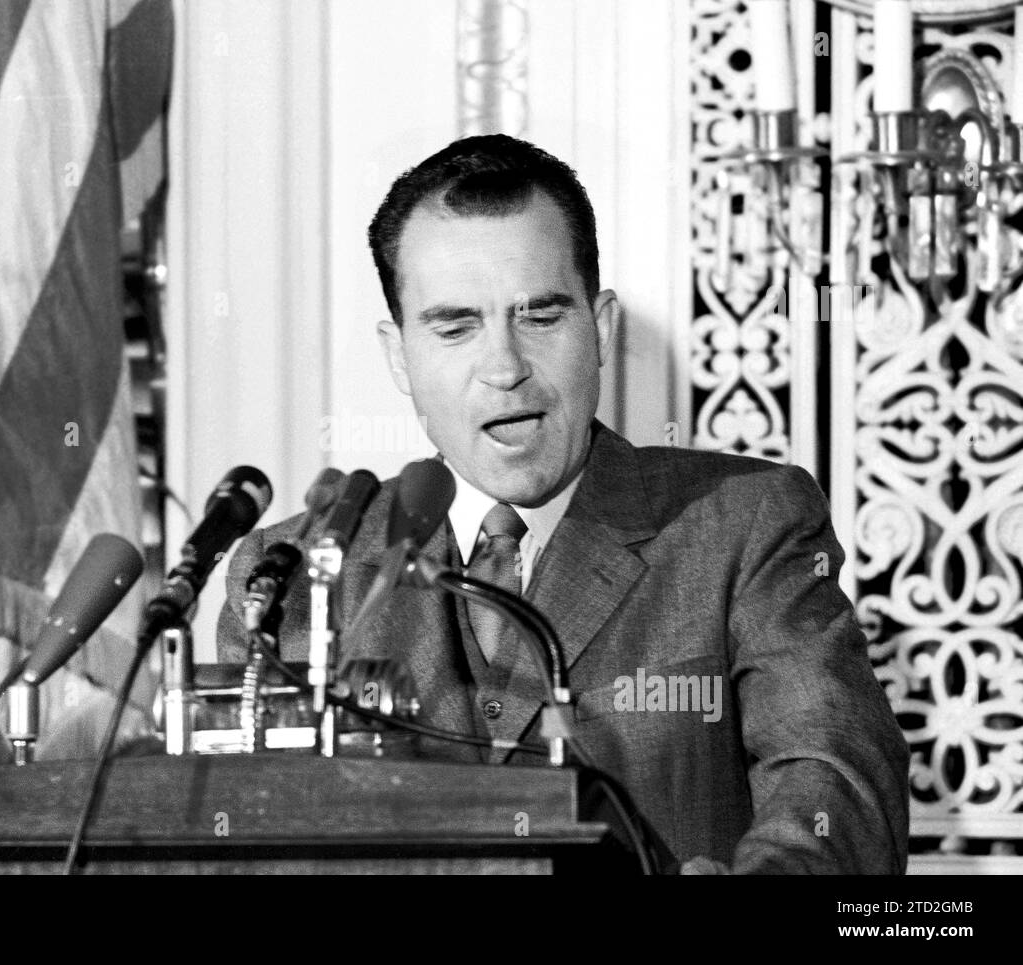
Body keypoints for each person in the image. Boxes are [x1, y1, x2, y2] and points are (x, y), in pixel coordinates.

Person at [217, 134, 910, 874]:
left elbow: (837, 780)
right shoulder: (289, 577)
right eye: (455, 326)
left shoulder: (745, 523)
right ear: (399, 356)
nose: (505, 367)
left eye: (540, 317)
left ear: (600, 328)